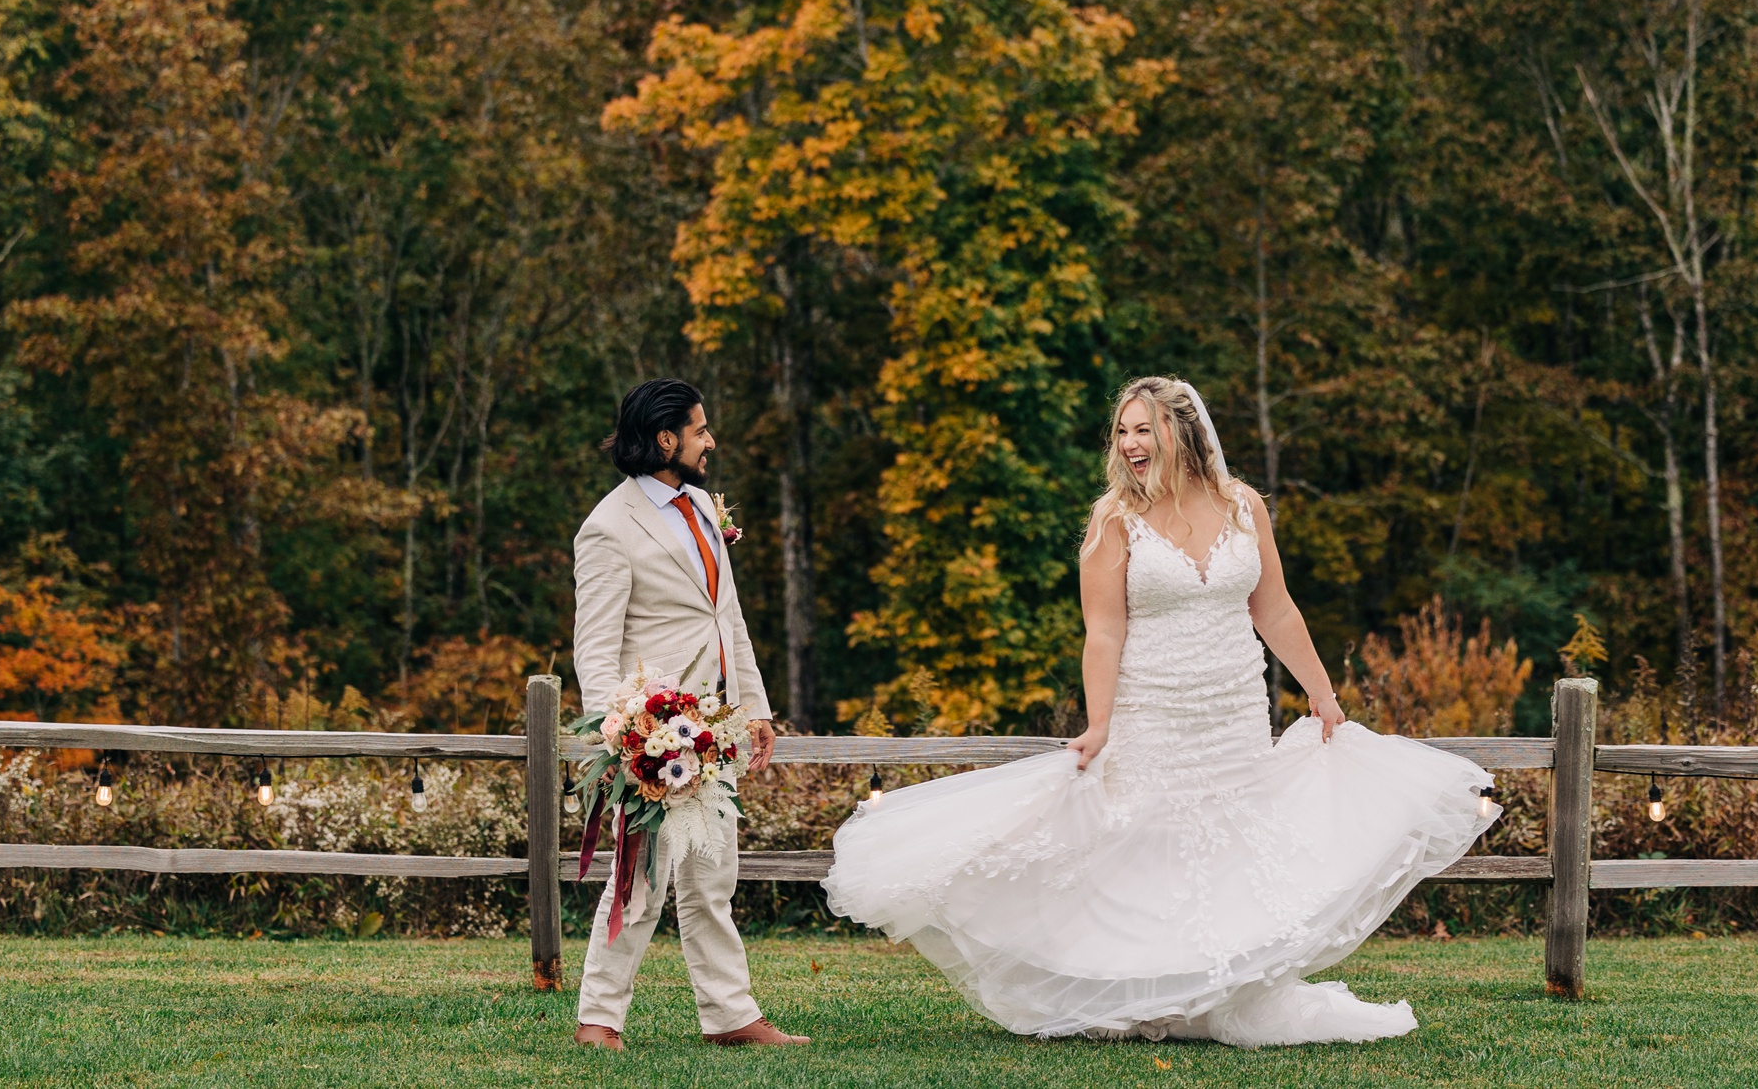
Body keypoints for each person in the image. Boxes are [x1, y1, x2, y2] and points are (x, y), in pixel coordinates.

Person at [826, 375, 1501, 1047]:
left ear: (1183, 430)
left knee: (1233, 852)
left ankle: (1225, 991)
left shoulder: (1244, 507)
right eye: (1122, 430)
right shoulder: (1113, 519)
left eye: (1143, 428)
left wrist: (1322, 693)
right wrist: (1098, 724)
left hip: (1234, 713)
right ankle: (1149, 996)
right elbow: (1104, 631)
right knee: (1148, 851)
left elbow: (1275, 608)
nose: (1129, 443)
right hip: (1154, 713)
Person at [569, 379, 808, 1051]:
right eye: (700, 429)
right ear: (665, 438)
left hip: (717, 730)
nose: (711, 440)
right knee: (640, 879)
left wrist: (754, 706)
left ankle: (730, 1015)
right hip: (656, 737)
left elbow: (724, 615)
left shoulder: (701, 505)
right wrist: (621, 740)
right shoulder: (608, 527)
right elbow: (595, 646)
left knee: (713, 878)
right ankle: (599, 1019)